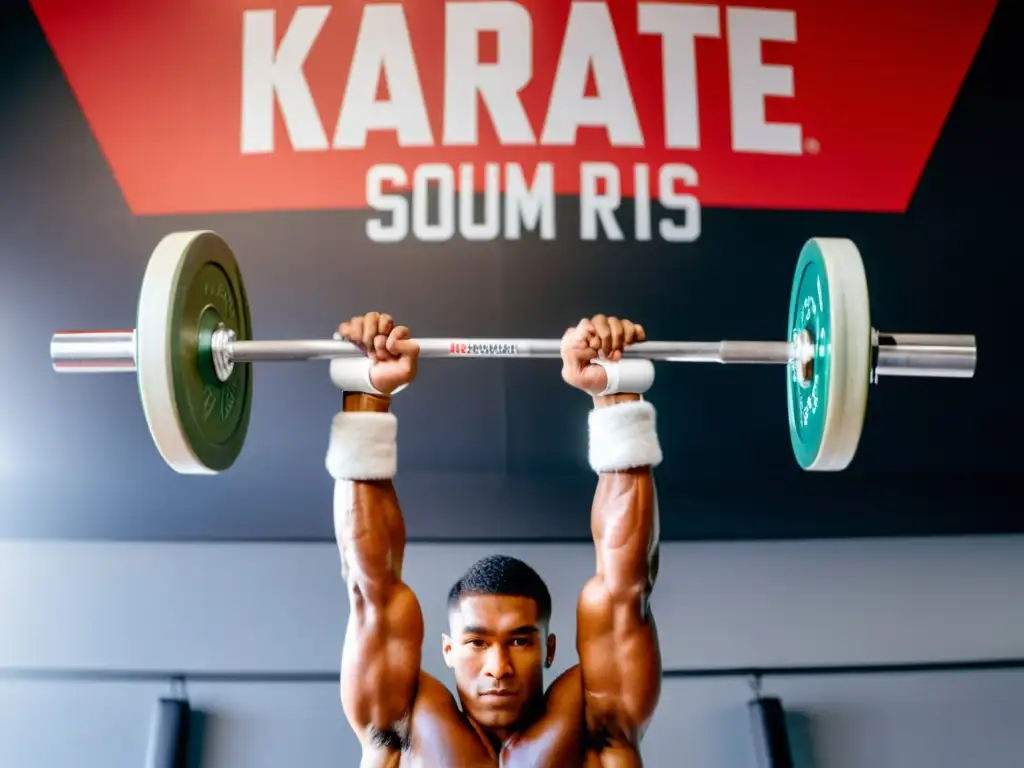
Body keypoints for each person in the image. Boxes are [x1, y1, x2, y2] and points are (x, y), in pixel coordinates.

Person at [326, 311, 663, 767]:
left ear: (549, 649)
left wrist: (616, 397)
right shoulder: (401, 728)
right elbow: (369, 586)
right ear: (448, 650)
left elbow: (627, 585)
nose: (498, 669)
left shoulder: (598, 726)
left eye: (521, 641)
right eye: (477, 642)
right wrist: (367, 396)